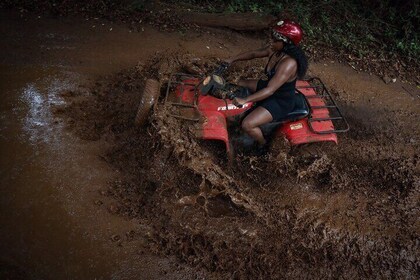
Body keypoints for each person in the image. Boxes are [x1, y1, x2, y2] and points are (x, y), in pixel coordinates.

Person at [225, 19, 308, 151]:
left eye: (275, 39)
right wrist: (231, 59)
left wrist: (245, 99)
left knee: (248, 124)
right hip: (269, 87)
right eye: (272, 36)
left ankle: (262, 145)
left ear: (286, 43)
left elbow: (270, 90)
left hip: (280, 100)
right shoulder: (275, 51)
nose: (271, 41)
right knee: (236, 82)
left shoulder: (288, 63)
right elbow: (253, 54)